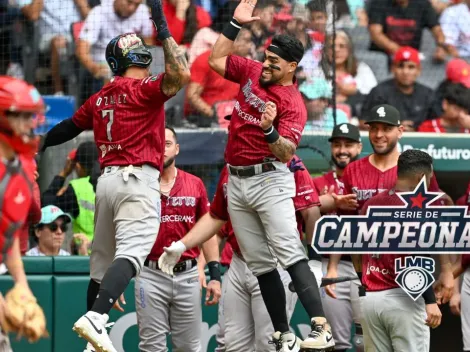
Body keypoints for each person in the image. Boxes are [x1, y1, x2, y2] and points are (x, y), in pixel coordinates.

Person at [159, 0, 335, 350]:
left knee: (289, 252)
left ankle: (320, 327)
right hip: (237, 179)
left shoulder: (292, 102)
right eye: (267, 57)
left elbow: (287, 152)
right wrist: (235, 25)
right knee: (260, 263)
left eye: (274, 62)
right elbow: (216, 60)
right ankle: (284, 331)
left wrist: (269, 130)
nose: (266, 64)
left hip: (269, 178)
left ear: (292, 68)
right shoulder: (254, 70)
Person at [38, 0, 191, 349]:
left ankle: (92, 344)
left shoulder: (101, 97)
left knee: (100, 269)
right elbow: (181, 74)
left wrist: (41, 142)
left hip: (106, 183)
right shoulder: (143, 90)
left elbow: (67, 128)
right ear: (132, 59)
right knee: (133, 256)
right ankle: (95, 318)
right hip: (137, 181)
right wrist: (161, 24)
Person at [324, 104, 455, 350]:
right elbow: (350, 229)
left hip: (399, 284)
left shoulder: (415, 170)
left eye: (386, 128)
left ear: (401, 131)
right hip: (374, 280)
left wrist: (446, 271)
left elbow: (436, 226)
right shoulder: (353, 170)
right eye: (374, 128)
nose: (379, 134)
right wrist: (339, 268)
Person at [211, 156, 322, 351]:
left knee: (271, 342)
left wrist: (314, 260)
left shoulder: (291, 161)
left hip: (275, 262)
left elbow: (310, 212)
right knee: (232, 344)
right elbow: (216, 217)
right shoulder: (232, 166)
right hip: (238, 261)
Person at [134, 127, 222, 351]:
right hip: (149, 274)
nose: (161, 150)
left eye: (167, 144)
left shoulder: (195, 184)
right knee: (151, 347)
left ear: (177, 149)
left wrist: (214, 275)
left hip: (188, 276)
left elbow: (208, 230)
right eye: (156, 144)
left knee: (189, 348)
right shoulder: (138, 185)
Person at [356, 149, 444, 351]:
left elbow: (356, 250)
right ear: (421, 177)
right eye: (429, 177)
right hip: (404, 298)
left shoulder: (371, 204)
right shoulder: (418, 208)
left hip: (370, 299)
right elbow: (417, 256)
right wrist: (429, 300)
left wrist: (363, 277)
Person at [0, 75, 48, 348]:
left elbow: (6, 237)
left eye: (33, 116)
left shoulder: (20, 168)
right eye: (25, 117)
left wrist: (22, 285)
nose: (32, 124)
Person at [312, 123, 364, 352]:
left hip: (366, 264)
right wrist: (323, 206)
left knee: (366, 339)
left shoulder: (368, 180)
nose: (342, 150)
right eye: (337, 145)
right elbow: (308, 230)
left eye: (349, 145)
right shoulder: (319, 183)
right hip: (330, 265)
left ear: (359, 147)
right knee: (336, 341)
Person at [42, 141, 99, 243]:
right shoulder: (111, 181)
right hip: (113, 253)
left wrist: (64, 173)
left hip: (85, 255)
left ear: (77, 166)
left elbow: (46, 204)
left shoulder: (77, 188)